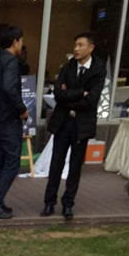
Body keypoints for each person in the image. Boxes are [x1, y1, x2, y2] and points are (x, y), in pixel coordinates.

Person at [40, 32, 105, 220]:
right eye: (75, 45)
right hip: (63, 122)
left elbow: (92, 100)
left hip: (81, 125)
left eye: (80, 45)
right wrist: (80, 93)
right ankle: (49, 202)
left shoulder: (98, 69)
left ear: (90, 48)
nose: (76, 49)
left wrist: (70, 95)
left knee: (75, 167)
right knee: (56, 164)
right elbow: (58, 95)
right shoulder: (67, 67)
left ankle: (68, 204)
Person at [0, 25, 28, 219]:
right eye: (21, 41)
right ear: (15, 41)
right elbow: (9, 88)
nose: (22, 45)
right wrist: (22, 109)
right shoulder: (11, 62)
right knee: (11, 163)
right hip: (8, 121)